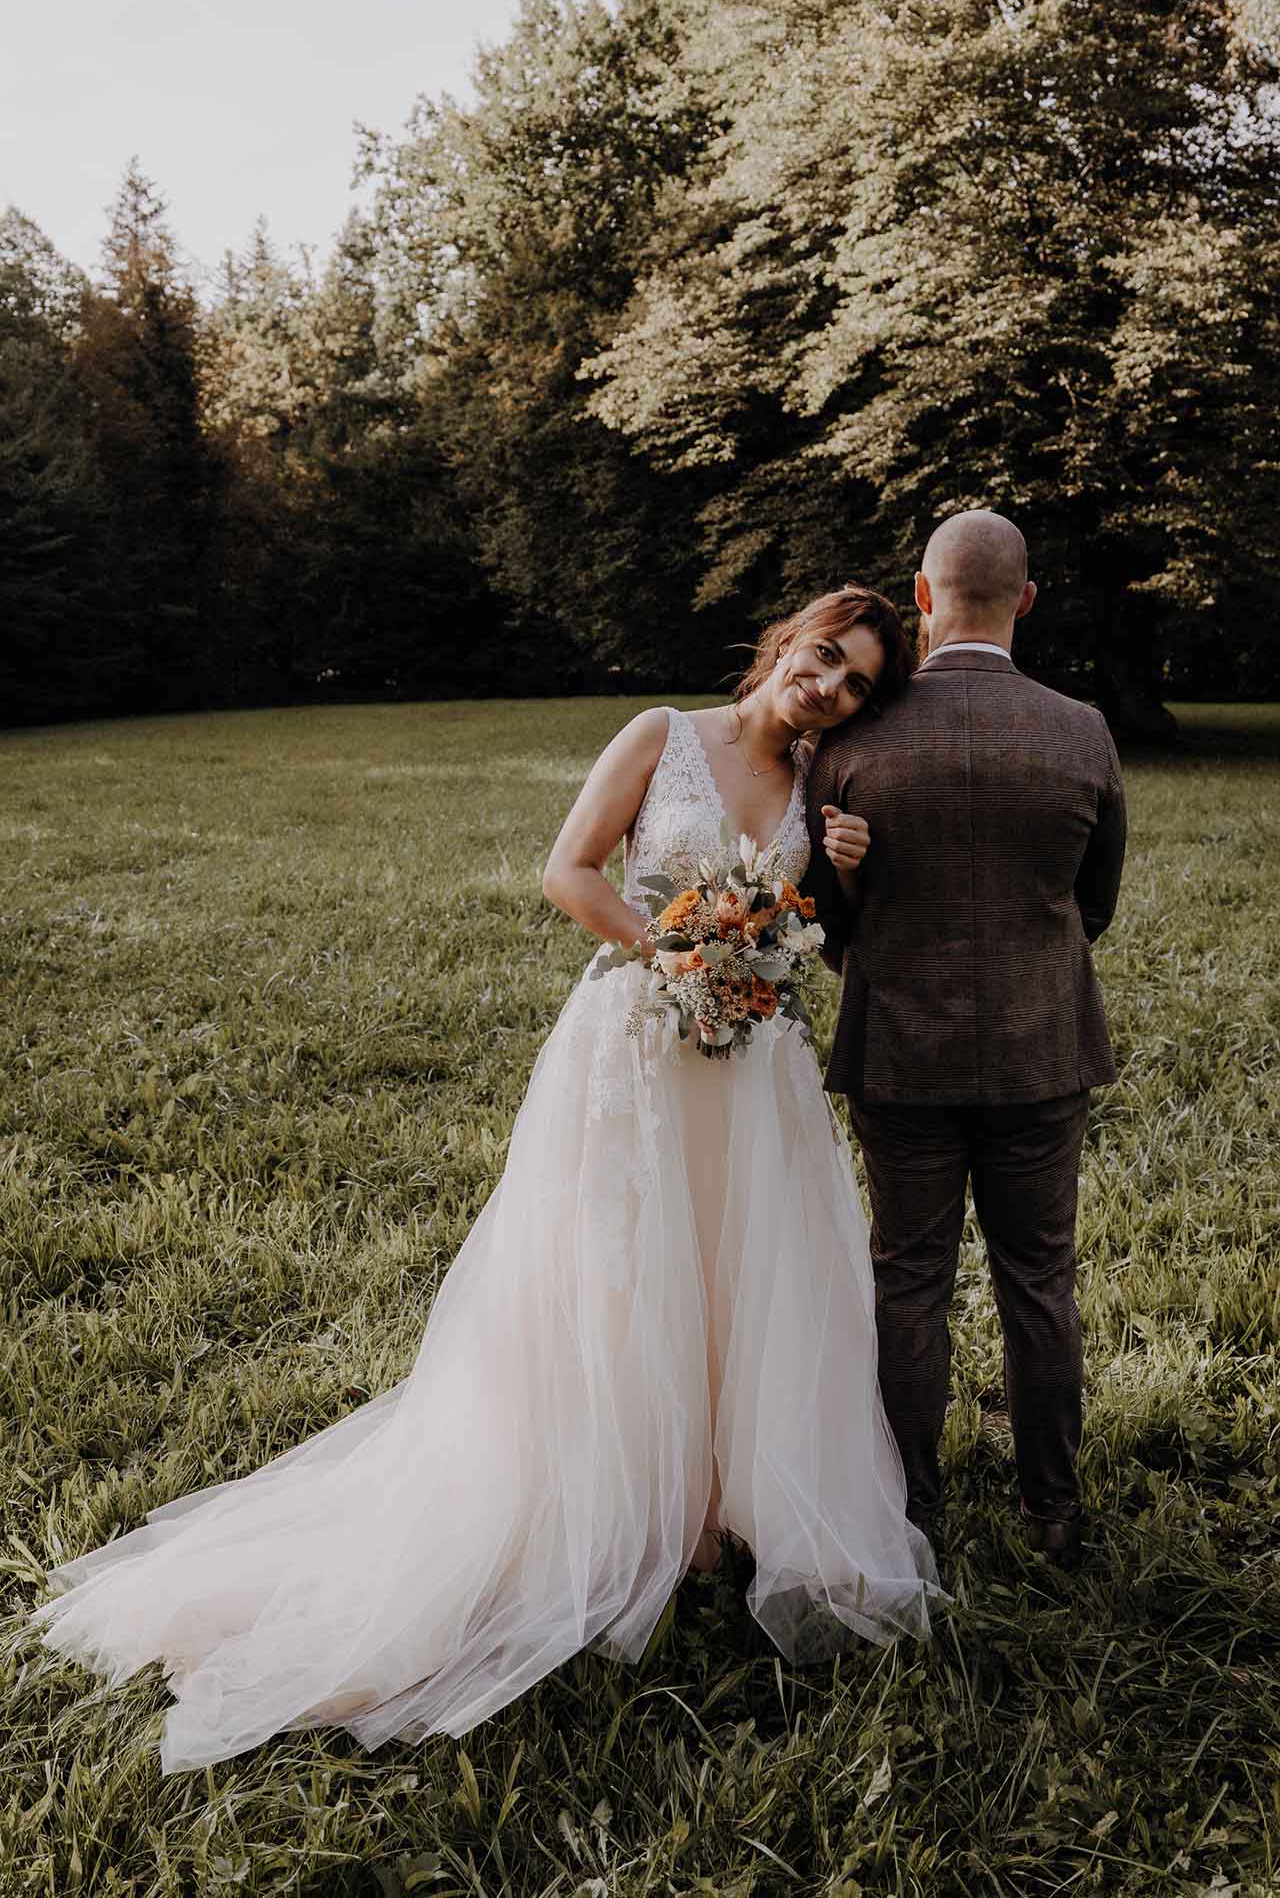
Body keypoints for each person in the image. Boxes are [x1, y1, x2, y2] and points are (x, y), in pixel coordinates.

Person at [32, 585, 943, 1775]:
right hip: (635, 1047)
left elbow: (814, 926)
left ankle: (715, 1504)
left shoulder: (823, 793)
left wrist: (843, 874)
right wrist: (671, 947)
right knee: (619, 1274)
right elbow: (566, 872)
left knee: (741, 1270)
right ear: (786, 646)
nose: (827, 686)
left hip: (749, 1062)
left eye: (857, 682)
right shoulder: (661, 736)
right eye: (823, 657)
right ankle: (621, 1494)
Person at [806, 512, 1127, 1570]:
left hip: (900, 1054)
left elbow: (826, 927)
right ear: (1024, 600)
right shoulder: (1080, 730)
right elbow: (1095, 905)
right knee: (1038, 1280)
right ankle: (1051, 1514)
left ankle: (907, 1516)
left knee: (909, 1282)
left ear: (922, 597)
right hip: (1040, 1054)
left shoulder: (852, 741)